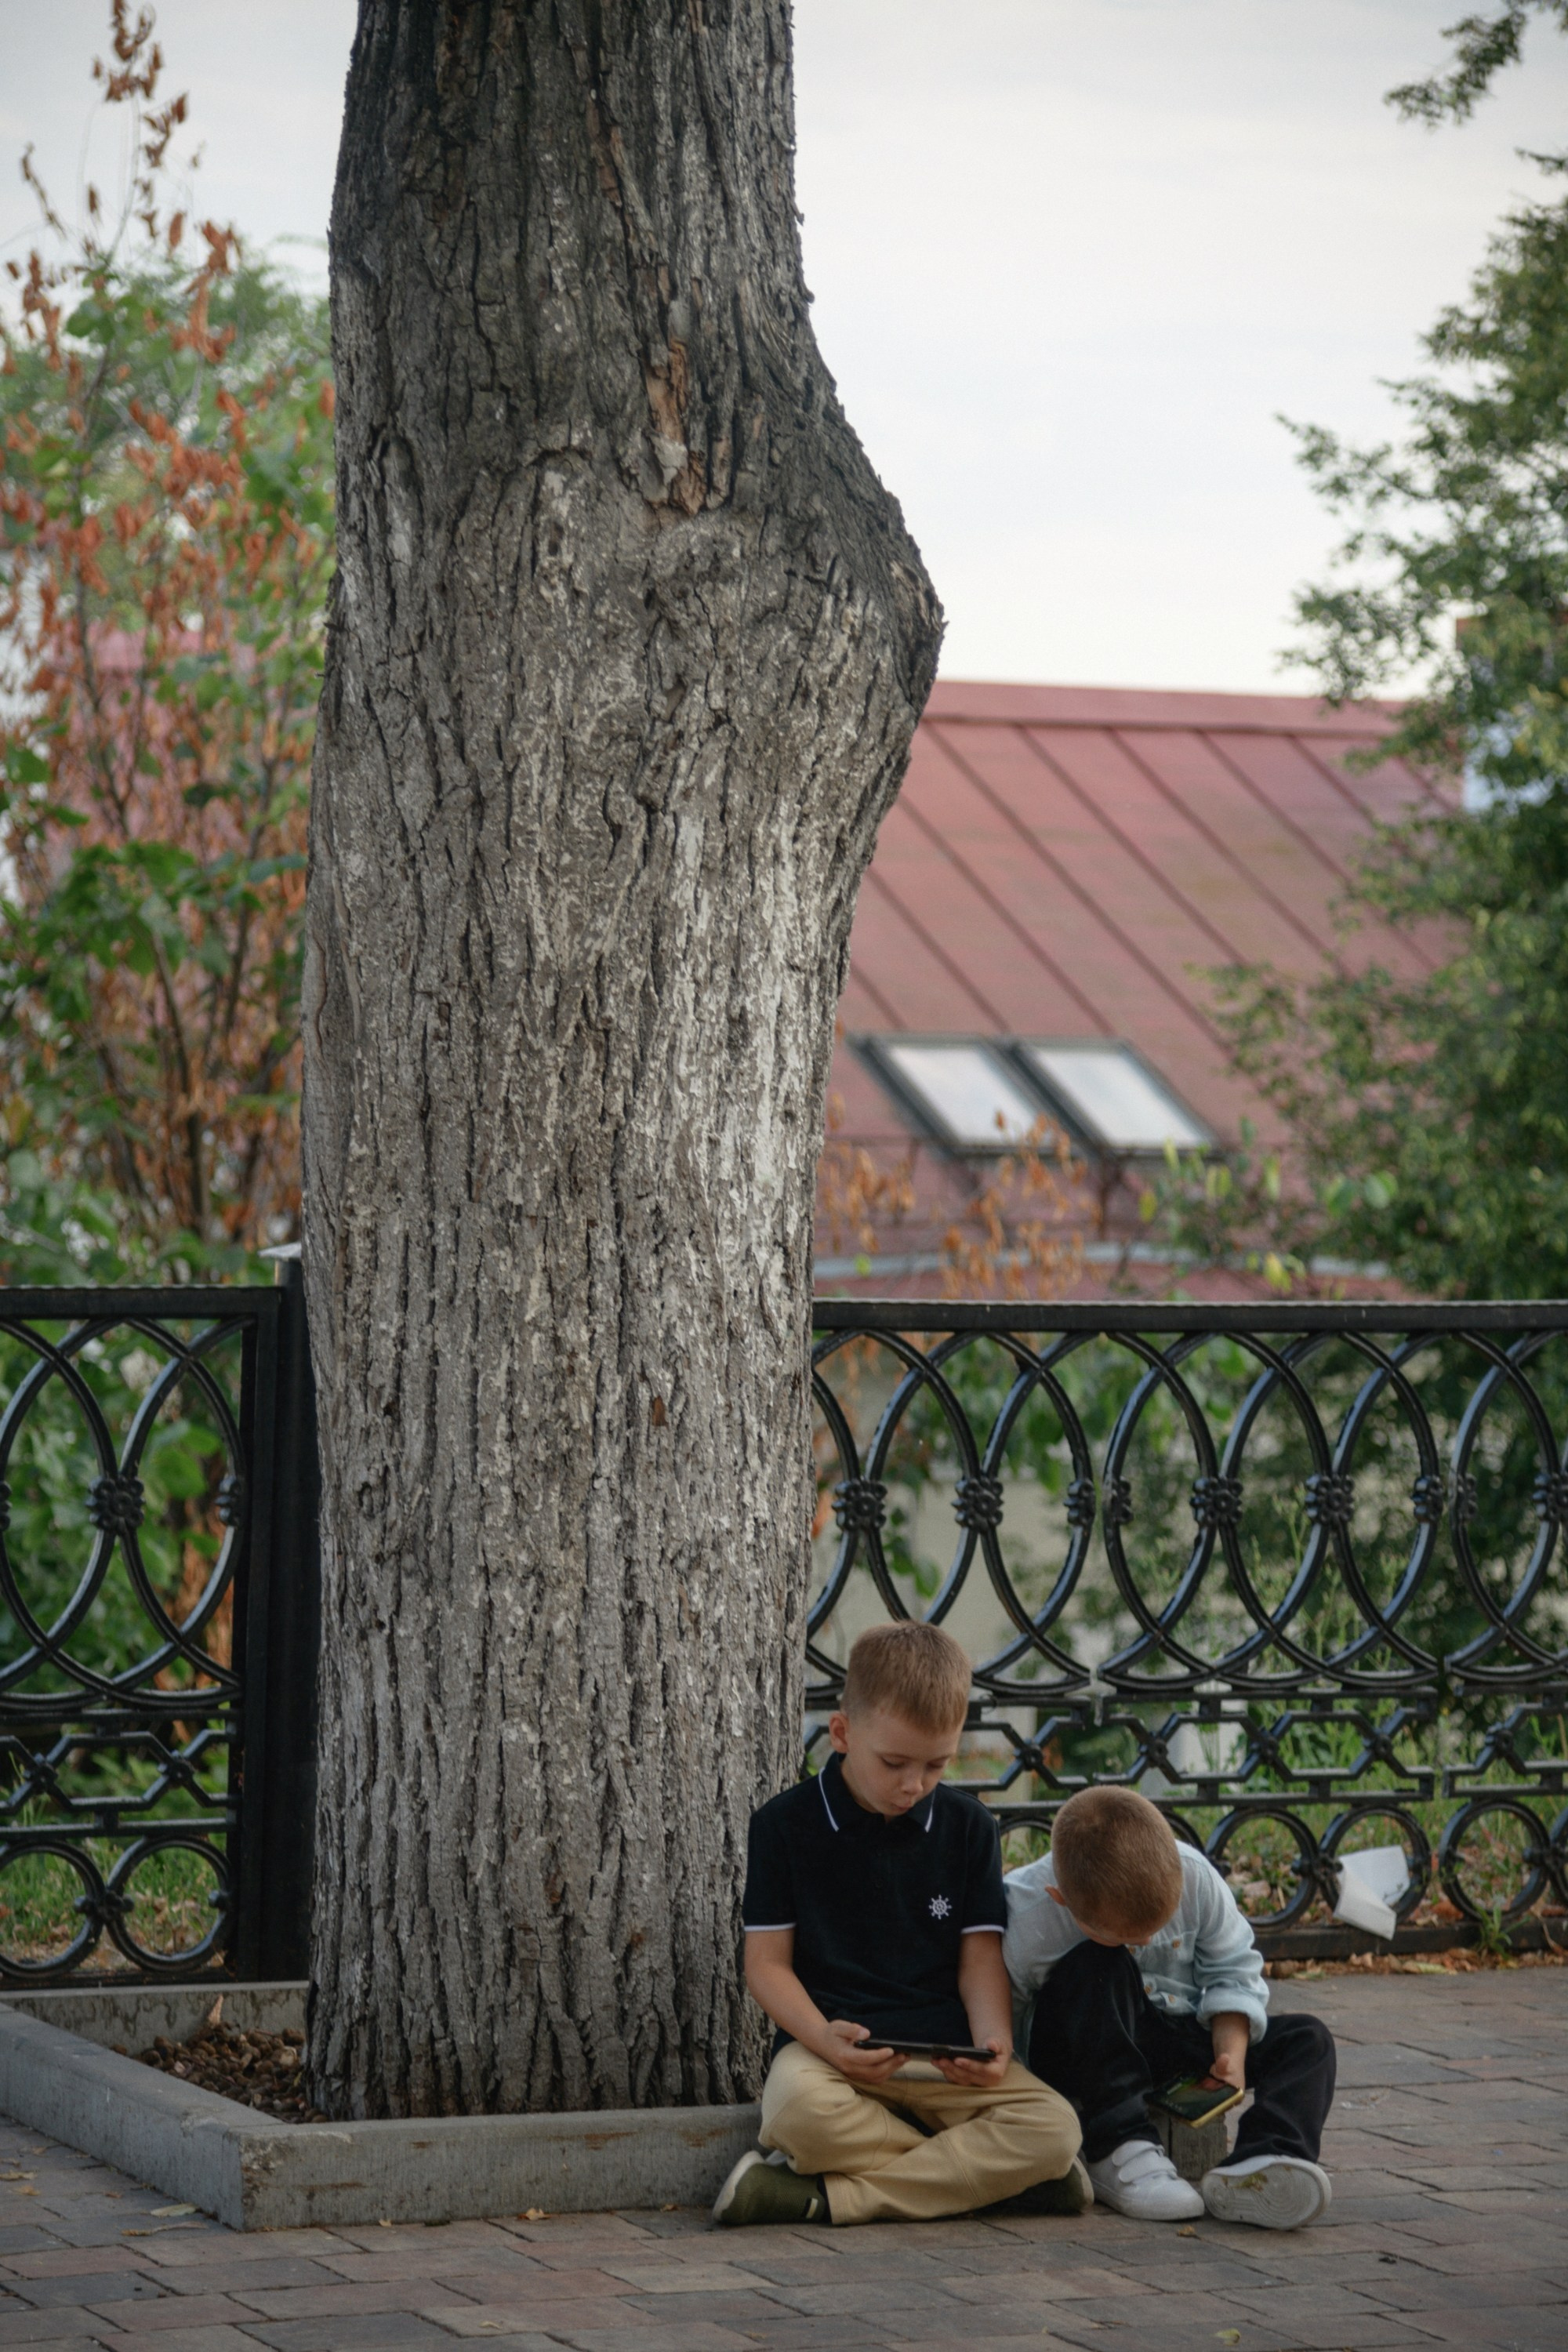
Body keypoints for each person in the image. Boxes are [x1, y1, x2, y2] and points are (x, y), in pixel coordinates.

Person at [713, 1620, 1087, 2227]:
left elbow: (979, 1960)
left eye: (936, 1765)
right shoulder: (783, 1826)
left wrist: (996, 2046)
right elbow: (766, 1965)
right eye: (894, 1763)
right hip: (831, 2056)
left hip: (945, 2060)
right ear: (842, 1733)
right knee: (794, 2116)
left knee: (1054, 2131)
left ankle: (828, 2198)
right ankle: (999, 2182)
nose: (914, 1785)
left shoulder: (969, 1829)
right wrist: (823, 2037)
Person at [1004, 1786, 1336, 2230]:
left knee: (1307, 2039)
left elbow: (1232, 1968)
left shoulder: (1195, 1876)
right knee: (1096, 1964)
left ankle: (1265, 2163)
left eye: (1155, 1928)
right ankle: (1119, 2150)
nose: (1143, 1942)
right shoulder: (1027, 1915)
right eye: (1124, 1933)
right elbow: (1010, 2024)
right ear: (1060, 1897)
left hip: (1174, 2033)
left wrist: (1231, 2051)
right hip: (1086, 2055)